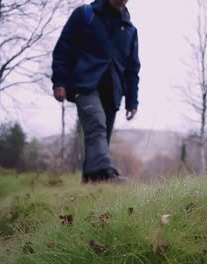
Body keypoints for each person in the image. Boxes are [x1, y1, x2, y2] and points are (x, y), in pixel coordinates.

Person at [51, 0, 140, 183]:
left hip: (113, 90)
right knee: (97, 124)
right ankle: (106, 175)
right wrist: (59, 81)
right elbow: (63, 47)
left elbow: (132, 69)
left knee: (101, 135)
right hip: (83, 85)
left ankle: (91, 180)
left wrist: (132, 101)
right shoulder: (86, 14)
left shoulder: (130, 30)